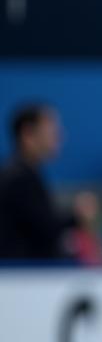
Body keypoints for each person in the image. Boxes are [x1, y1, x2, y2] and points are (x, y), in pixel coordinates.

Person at [0, 103, 67, 260]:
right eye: (51, 130)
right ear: (27, 134)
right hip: (20, 277)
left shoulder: (26, 173)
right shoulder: (18, 179)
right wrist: (76, 218)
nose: (59, 136)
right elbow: (45, 229)